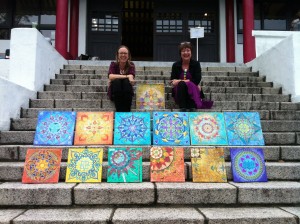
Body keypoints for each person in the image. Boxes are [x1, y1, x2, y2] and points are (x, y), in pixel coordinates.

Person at [171, 41, 213, 111]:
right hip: (179, 91)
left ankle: (192, 106)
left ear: (191, 53)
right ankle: (183, 107)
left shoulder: (196, 64)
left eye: (188, 50)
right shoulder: (175, 65)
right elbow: (173, 81)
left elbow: (196, 80)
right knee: (181, 85)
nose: (186, 53)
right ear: (180, 53)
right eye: (183, 51)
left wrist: (180, 81)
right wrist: (184, 82)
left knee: (189, 85)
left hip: (193, 89)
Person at [107, 45, 135, 112]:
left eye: (125, 53)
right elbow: (110, 76)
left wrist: (129, 78)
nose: (123, 55)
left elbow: (131, 77)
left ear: (128, 55)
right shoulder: (113, 64)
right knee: (117, 82)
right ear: (117, 55)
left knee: (126, 82)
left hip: (126, 91)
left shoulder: (131, 65)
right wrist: (126, 76)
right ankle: (119, 111)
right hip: (116, 92)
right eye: (121, 53)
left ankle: (127, 111)